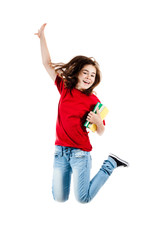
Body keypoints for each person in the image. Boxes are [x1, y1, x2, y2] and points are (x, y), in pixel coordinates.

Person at [35, 23, 129, 203]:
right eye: (85, 73)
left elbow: (101, 132)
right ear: (78, 74)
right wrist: (42, 38)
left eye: (92, 75)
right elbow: (46, 63)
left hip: (80, 154)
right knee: (59, 198)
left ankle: (110, 163)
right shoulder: (64, 88)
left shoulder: (94, 101)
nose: (88, 77)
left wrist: (98, 120)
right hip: (60, 152)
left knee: (83, 198)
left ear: (95, 80)